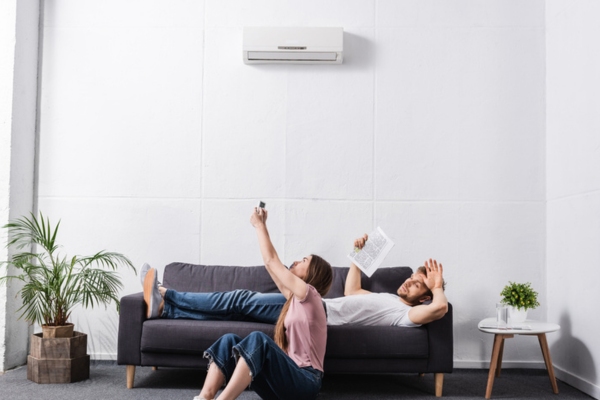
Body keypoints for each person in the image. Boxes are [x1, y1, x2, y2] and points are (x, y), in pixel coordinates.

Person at [143, 207, 333, 400]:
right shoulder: (293, 300)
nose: (296, 261)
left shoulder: (310, 295)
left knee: (259, 339)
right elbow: (270, 265)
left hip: (306, 382)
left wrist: (259, 225)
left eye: (304, 261)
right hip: (287, 379)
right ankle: (204, 397)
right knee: (229, 341)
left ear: (313, 274)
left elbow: (272, 260)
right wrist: (263, 225)